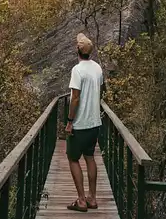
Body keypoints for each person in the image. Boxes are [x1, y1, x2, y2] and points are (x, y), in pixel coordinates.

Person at [65, 33, 104, 212]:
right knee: (90, 157)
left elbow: (75, 98)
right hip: (95, 123)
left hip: (80, 124)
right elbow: (99, 92)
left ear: (78, 50)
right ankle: (93, 198)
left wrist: (70, 121)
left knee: (73, 159)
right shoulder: (97, 68)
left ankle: (81, 200)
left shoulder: (77, 70)